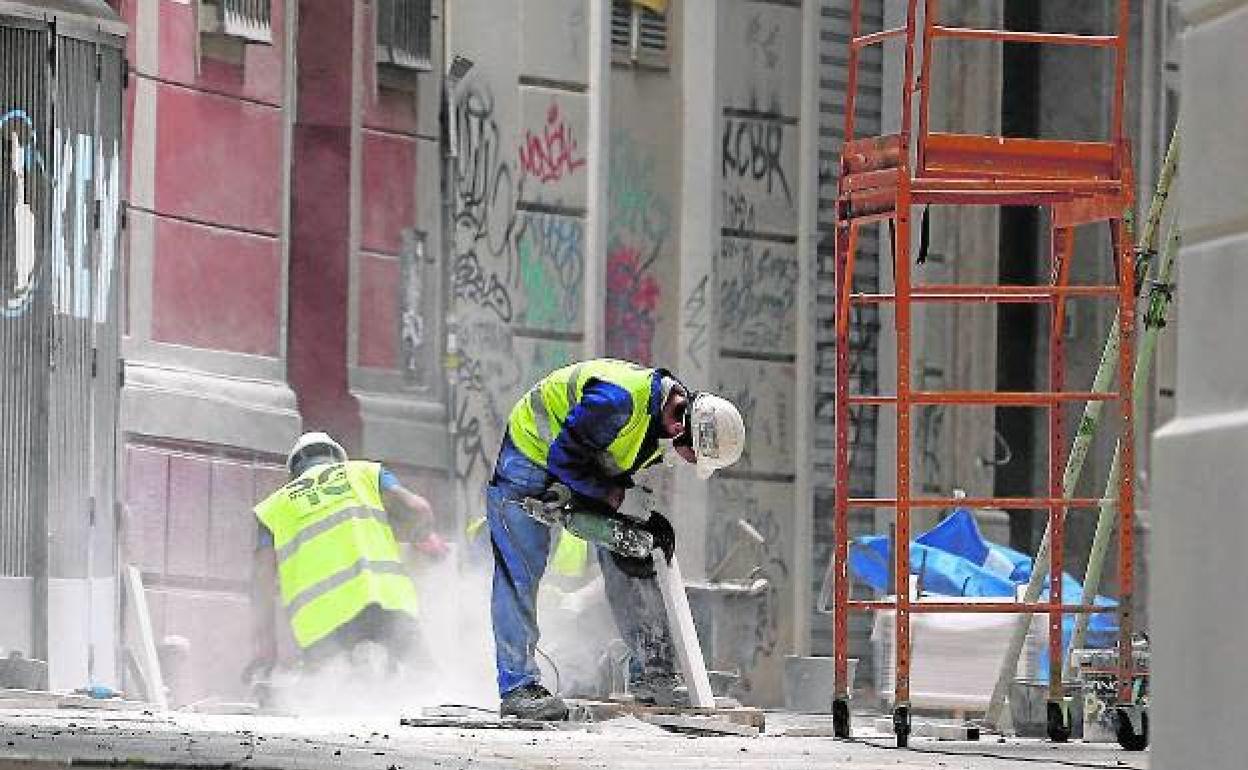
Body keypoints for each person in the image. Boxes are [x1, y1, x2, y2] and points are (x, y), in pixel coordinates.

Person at [486, 359, 746, 720]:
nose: (686, 462)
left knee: (633, 550)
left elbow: (610, 467)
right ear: (679, 427)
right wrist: (611, 496)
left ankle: (653, 675)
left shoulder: (668, 417)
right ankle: (518, 687)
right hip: (528, 457)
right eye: (692, 456)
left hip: (578, 462)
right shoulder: (617, 402)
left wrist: (642, 520)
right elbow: (564, 457)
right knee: (520, 572)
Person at [249, 432, 448, 682]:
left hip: (320, 628)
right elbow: (417, 509)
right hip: (382, 604)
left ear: (294, 473)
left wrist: (266, 656)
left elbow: (262, 583)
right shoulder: (365, 473)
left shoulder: (273, 508)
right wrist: (422, 534)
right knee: (430, 686)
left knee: (326, 707)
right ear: (337, 459)